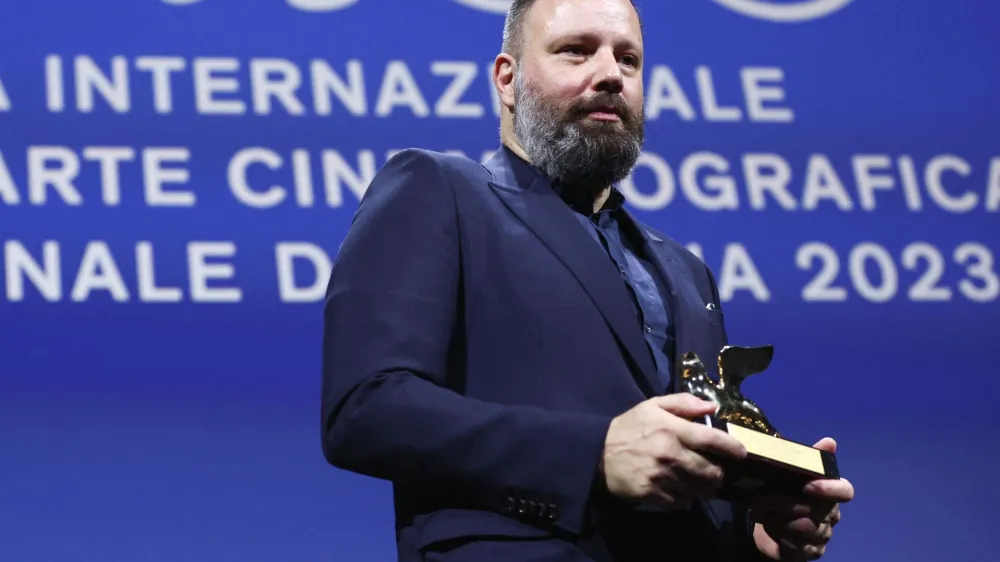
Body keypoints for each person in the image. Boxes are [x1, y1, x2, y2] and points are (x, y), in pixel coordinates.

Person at [319, 0, 854, 560]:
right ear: (508, 79)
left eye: (628, 59)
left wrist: (753, 532)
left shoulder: (686, 271)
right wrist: (592, 455)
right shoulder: (439, 191)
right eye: (575, 51)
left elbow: (687, 466)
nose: (609, 74)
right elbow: (364, 408)